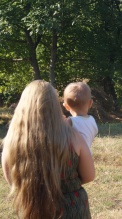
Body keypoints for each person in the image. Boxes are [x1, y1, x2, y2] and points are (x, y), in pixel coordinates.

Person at [1, 80, 95, 219]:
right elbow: (89, 175)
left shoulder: (11, 142)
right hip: (72, 208)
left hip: (31, 207)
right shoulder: (73, 136)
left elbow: (12, 180)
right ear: (55, 106)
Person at [63, 82, 98, 154]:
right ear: (90, 103)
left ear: (66, 106)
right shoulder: (92, 120)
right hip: (88, 155)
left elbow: (58, 132)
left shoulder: (70, 121)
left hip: (75, 157)